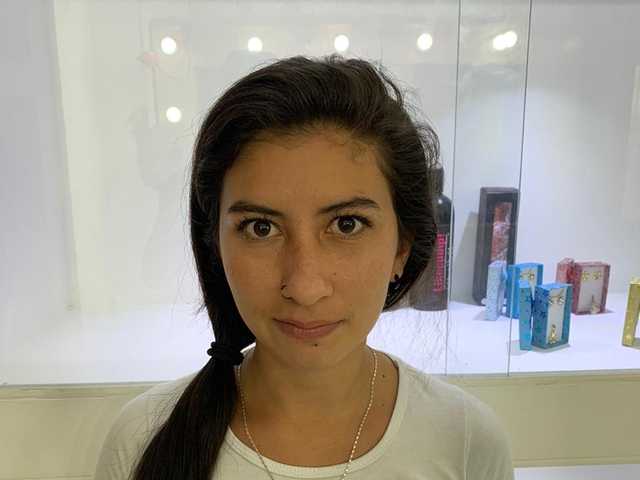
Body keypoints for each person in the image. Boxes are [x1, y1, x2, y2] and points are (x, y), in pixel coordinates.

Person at [94, 53, 515, 480]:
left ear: (401, 247)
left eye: (347, 225)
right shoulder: (143, 440)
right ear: (216, 245)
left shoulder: (465, 440)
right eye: (260, 228)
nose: (304, 286)